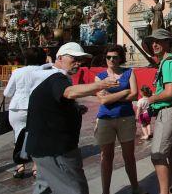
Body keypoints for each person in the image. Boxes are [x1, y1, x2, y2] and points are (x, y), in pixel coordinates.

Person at [26, 42, 119, 194]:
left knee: (44, 189)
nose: (78, 63)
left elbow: (53, 102)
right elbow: (69, 92)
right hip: (55, 149)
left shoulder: (48, 75)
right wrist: (101, 85)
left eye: (80, 60)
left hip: (42, 146)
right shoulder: (55, 77)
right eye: (74, 58)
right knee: (75, 189)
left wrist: (74, 109)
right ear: (60, 58)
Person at [94, 45, 142, 194]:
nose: (112, 60)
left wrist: (111, 97)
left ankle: (135, 188)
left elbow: (135, 95)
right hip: (105, 119)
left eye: (115, 57)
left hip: (126, 118)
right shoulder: (100, 77)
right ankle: (105, 192)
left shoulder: (129, 72)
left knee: (129, 156)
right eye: (109, 57)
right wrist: (124, 92)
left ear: (120, 58)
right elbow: (102, 101)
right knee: (106, 157)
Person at [143, 29, 172, 194]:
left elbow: (169, 92)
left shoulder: (168, 62)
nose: (154, 44)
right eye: (153, 41)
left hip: (168, 112)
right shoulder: (168, 61)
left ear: (168, 42)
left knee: (158, 155)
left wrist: (150, 99)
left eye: (159, 41)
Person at [3, 48, 54, 179]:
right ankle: (36, 168)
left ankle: (20, 167)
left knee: (18, 137)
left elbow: (7, 93)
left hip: (18, 108)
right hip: (37, 108)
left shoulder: (17, 72)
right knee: (37, 138)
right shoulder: (46, 72)